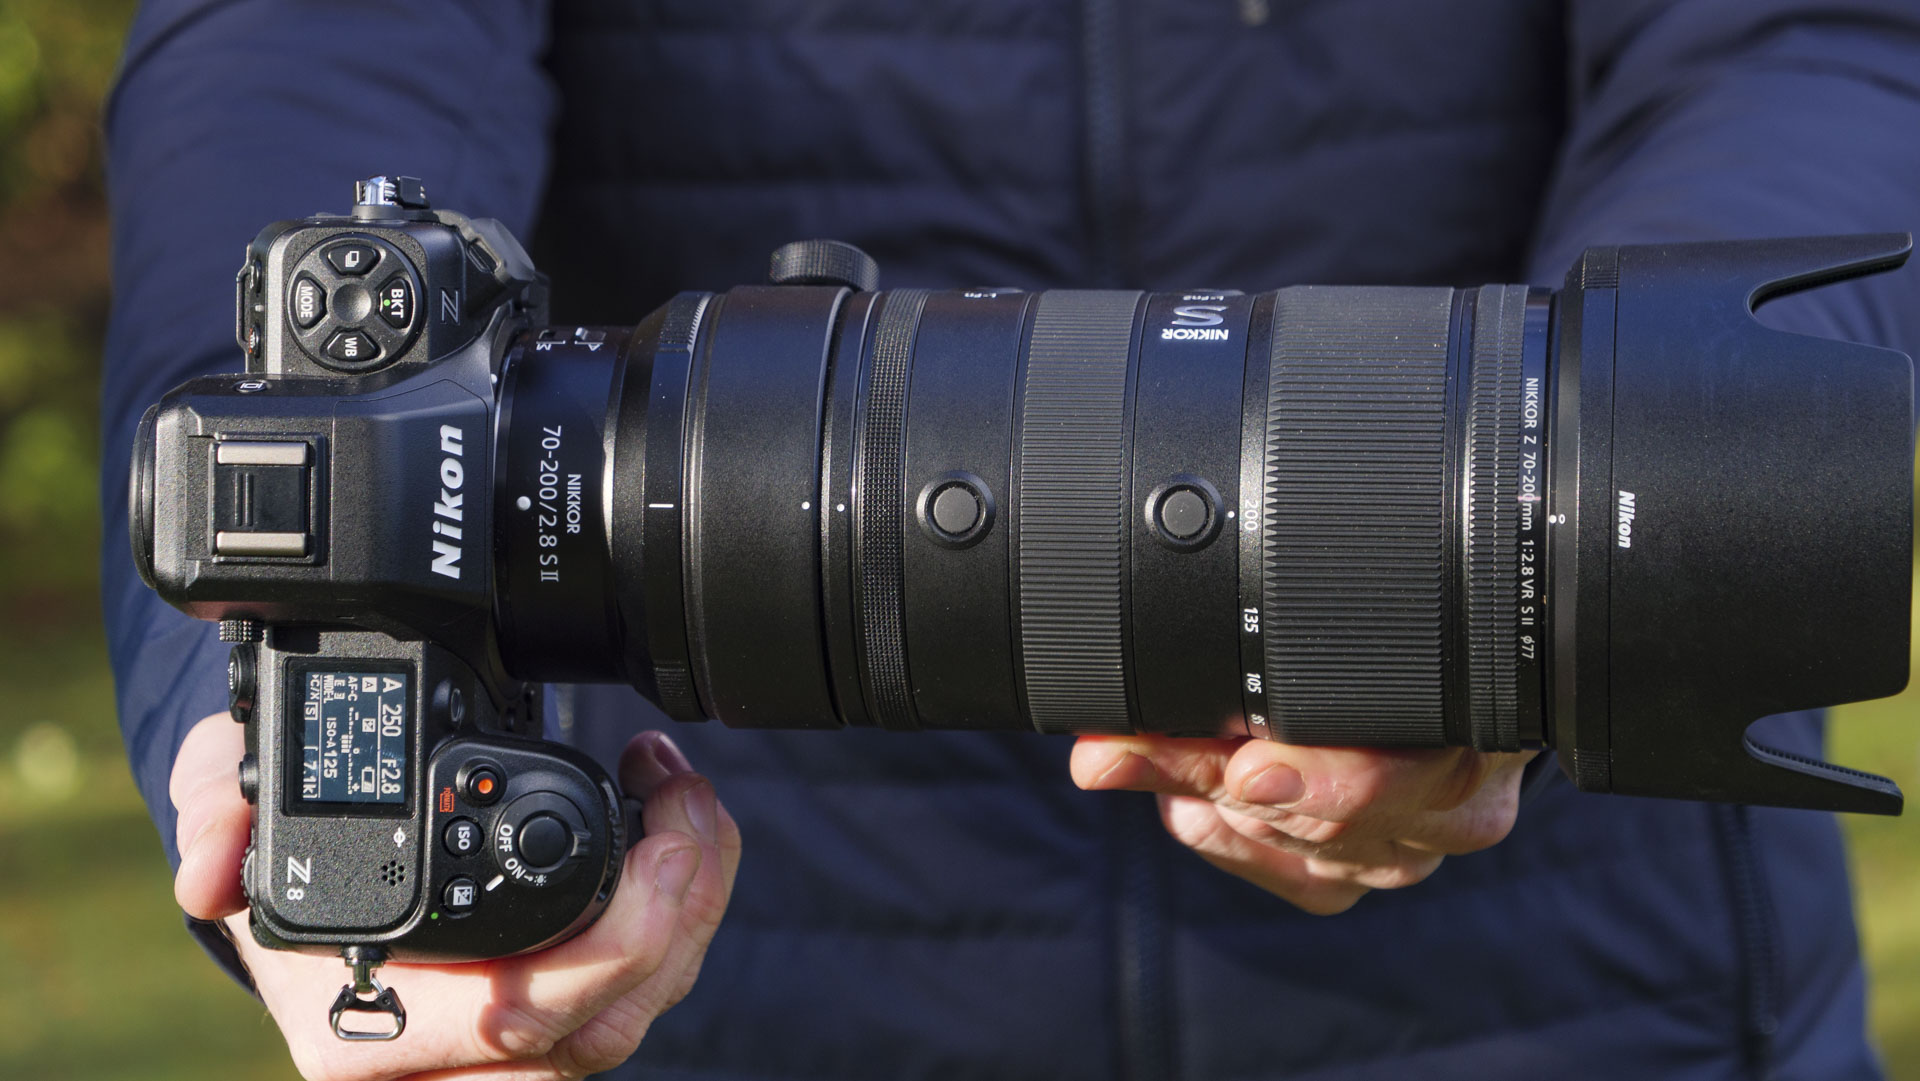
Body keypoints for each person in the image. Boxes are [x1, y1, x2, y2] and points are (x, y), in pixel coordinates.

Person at [103, 1, 1920, 1079]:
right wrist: (267, 689)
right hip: (741, 951)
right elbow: (299, 74)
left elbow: (1804, 46)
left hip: (1589, 977)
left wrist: (1583, 528)